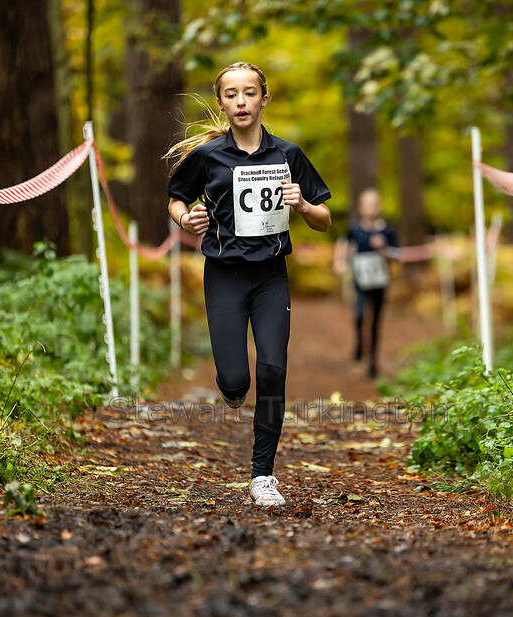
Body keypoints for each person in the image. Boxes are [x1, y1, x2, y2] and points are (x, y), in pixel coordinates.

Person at [164, 62, 332, 508]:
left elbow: (325, 220)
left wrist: (302, 206)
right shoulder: (209, 156)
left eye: (250, 93)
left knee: (273, 369)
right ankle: (234, 390)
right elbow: (176, 197)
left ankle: (263, 475)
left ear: (264, 99)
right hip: (223, 274)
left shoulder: (288, 155)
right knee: (235, 381)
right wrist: (186, 217)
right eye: (232, 94)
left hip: (270, 274)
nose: (241, 101)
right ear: (221, 102)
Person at [333, 188, 399, 379]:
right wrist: (340, 262)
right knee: (360, 315)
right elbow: (343, 244)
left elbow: (397, 254)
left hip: (379, 282)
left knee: (376, 322)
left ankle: (373, 363)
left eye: (374, 205)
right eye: (367, 205)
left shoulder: (386, 230)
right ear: (361, 208)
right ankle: (360, 343)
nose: (370, 209)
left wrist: (384, 247)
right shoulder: (355, 229)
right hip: (360, 281)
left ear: (379, 207)